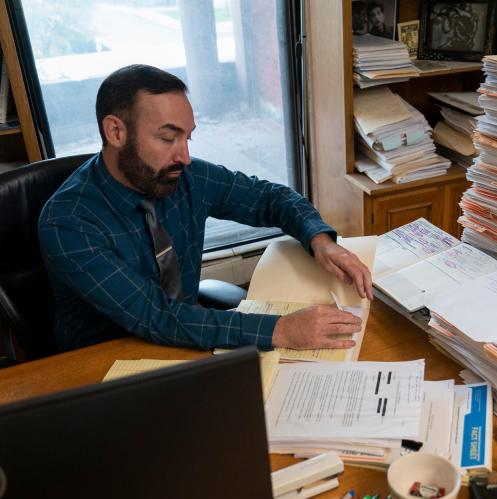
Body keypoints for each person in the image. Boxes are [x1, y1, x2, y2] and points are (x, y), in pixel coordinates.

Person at [38, 65, 372, 353]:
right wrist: (282, 330)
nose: (184, 156)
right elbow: (156, 315)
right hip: (105, 363)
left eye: (188, 138)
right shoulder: (68, 222)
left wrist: (320, 241)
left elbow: (271, 198)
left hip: (188, 339)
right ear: (116, 132)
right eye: (168, 138)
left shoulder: (183, 175)